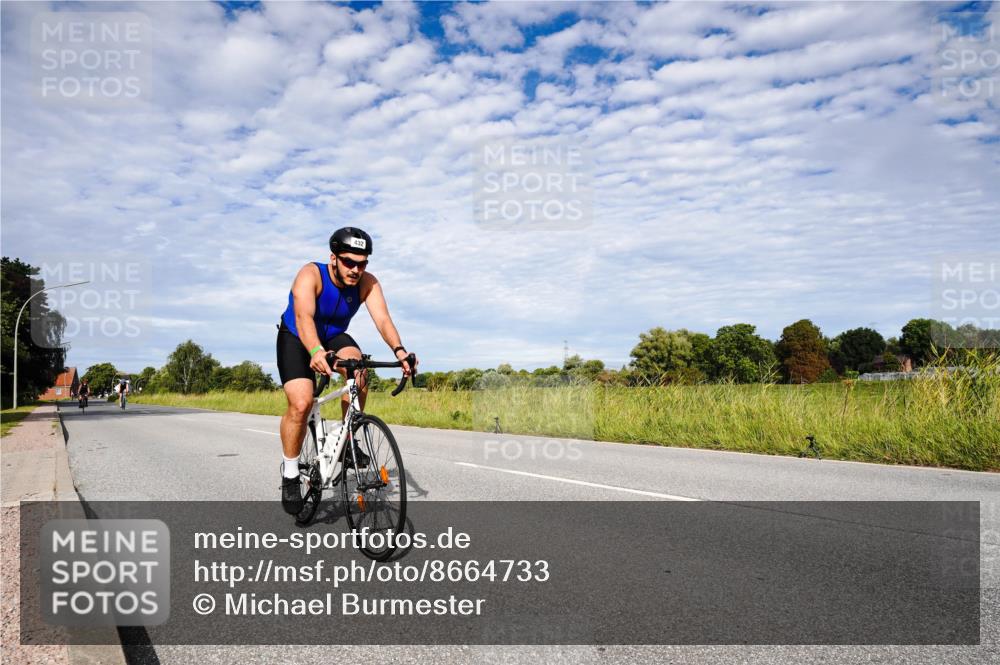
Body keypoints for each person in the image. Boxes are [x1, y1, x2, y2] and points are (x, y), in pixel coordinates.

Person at [276, 227, 417, 515]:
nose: (355, 269)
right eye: (349, 262)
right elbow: (303, 317)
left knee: (359, 369)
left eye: (362, 263)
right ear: (334, 258)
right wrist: (315, 351)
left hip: (333, 336)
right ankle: (290, 473)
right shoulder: (311, 274)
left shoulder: (367, 283)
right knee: (301, 402)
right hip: (297, 335)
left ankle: (347, 440)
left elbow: (383, 320)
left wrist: (400, 351)